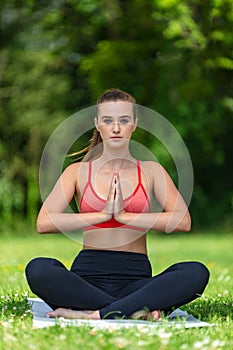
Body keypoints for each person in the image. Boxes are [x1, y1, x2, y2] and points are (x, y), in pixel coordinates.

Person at [25, 89, 209, 321]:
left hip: (136, 280)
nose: (115, 128)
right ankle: (132, 310)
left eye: (124, 120)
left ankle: (91, 314)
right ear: (97, 124)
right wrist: (102, 215)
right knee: (39, 269)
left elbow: (182, 221)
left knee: (195, 272)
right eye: (108, 120)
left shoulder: (152, 171)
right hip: (85, 281)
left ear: (134, 124)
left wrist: (125, 217)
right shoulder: (77, 172)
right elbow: (44, 222)